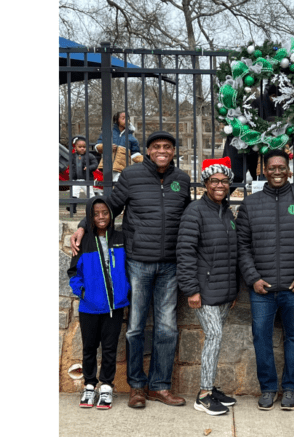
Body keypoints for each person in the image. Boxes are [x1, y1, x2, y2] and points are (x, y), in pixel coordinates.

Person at [70, 131, 191, 409]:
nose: (162, 151)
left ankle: (160, 387)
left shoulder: (182, 180)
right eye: (157, 147)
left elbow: (190, 218)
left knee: (167, 329)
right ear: (148, 151)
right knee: (135, 328)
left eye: (168, 147)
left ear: (173, 151)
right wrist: (81, 226)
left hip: (171, 266)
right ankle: (137, 386)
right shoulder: (132, 176)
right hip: (137, 263)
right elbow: (107, 208)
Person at [235, 149, 294, 411]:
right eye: (271, 167)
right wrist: (253, 278)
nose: (276, 172)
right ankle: (268, 388)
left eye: (281, 167)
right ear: (264, 169)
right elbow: (242, 245)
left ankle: (292, 389)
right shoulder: (251, 203)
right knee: (261, 338)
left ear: (288, 169)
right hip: (262, 288)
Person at [177, 156, 240, 416]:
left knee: (216, 340)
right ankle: (203, 395)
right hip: (203, 290)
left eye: (224, 181)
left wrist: (232, 290)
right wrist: (191, 289)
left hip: (224, 290)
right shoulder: (195, 211)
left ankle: (211, 388)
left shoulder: (226, 212)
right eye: (214, 180)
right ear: (205, 183)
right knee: (213, 337)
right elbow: (185, 251)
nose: (219, 185)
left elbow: (231, 252)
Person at [67, 196, 130, 410]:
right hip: (90, 306)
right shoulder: (83, 241)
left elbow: (129, 269)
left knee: (110, 348)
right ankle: (90, 385)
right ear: (90, 217)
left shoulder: (121, 238)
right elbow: (74, 272)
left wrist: (125, 290)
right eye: (96, 214)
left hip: (115, 305)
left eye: (105, 213)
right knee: (89, 347)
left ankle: (106, 386)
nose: (101, 217)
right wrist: (83, 292)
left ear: (111, 215)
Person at [96, 111, 143, 183]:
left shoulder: (131, 138)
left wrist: (147, 162)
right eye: (123, 118)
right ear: (117, 120)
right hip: (105, 167)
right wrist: (107, 147)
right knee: (105, 189)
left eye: (127, 118)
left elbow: (135, 154)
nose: (126, 120)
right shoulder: (108, 132)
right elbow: (97, 146)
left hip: (121, 169)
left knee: (117, 188)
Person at [68, 135, 98, 213]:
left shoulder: (90, 156)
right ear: (75, 148)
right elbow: (69, 165)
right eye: (80, 147)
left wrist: (89, 167)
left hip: (86, 179)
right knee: (74, 193)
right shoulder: (73, 156)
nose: (82, 148)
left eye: (84, 147)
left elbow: (95, 164)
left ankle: (94, 207)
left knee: (90, 194)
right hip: (76, 179)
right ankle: (73, 208)